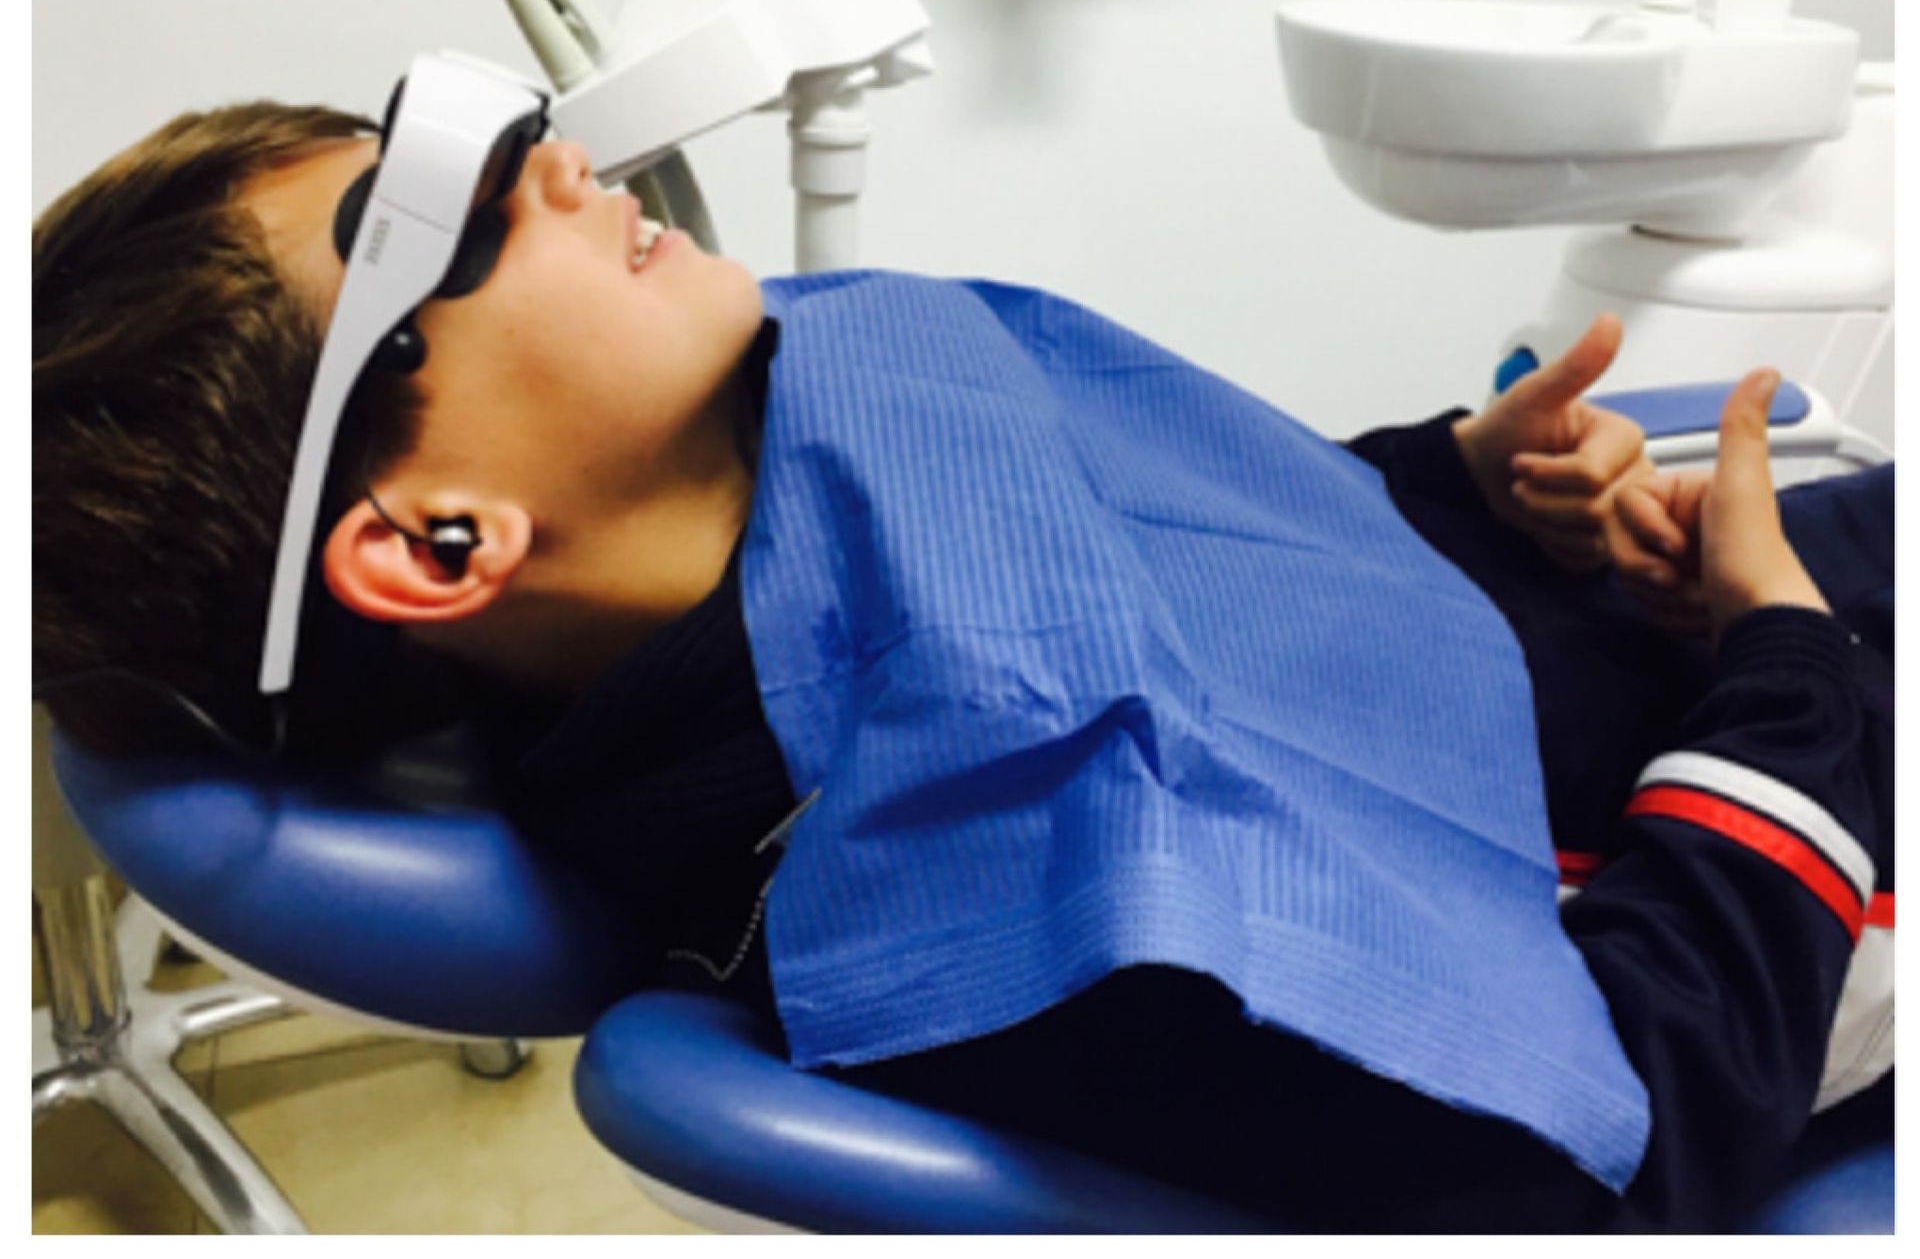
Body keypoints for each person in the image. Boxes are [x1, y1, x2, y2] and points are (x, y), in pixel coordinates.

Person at [33, 106, 1892, 1232]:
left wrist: (1452, 494)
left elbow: (1204, 550)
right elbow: (1637, 1147)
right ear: (436, 540)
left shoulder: (845, 376)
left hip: (1666, 658)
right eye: (448, 212)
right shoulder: (1026, 902)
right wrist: (1788, 663)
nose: (564, 159)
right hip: (1776, 874)